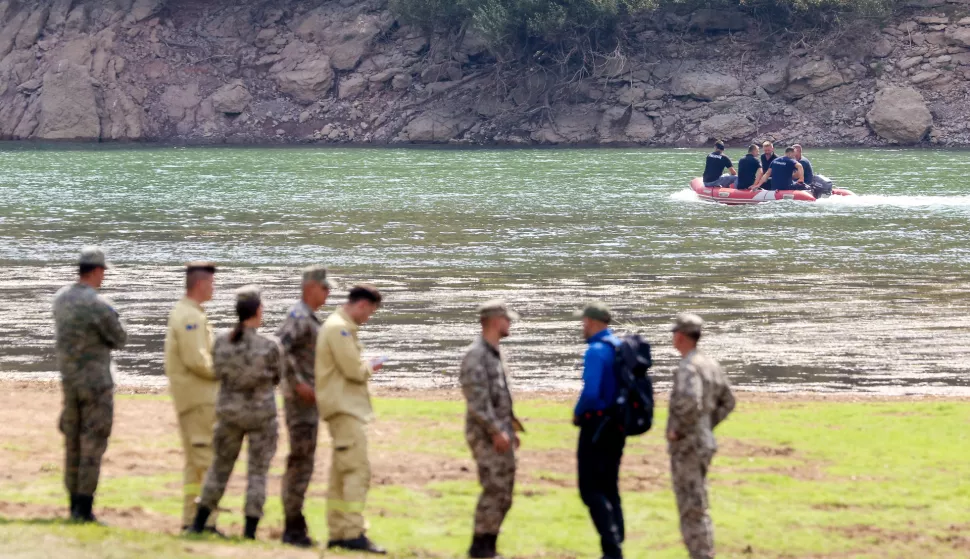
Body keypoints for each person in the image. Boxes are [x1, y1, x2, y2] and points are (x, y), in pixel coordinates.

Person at [188, 286, 282, 540]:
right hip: (261, 414)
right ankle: (250, 531)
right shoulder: (269, 345)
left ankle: (199, 522)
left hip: (229, 411)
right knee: (258, 472)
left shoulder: (221, 342)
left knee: (219, 467)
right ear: (258, 311)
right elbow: (277, 377)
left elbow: (217, 371)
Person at [52, 246, 127, 523]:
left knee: (72, 443)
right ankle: (85, 507)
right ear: (97, 271)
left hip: (70, 382)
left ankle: (72, 503)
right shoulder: (98, 304)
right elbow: (119, 338)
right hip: (96, 384)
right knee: (92, 444)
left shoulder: (60, 299)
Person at [316, 284, 387, 554]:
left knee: (340, 472)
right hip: (345, 409)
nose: (368, 317)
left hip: (341, 407)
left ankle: (338, 531)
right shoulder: (340, 328)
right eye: (370, 312)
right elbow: (353, 371)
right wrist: (372, 365)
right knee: (357, 471)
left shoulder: (336, 326)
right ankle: (353, 531)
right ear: (361, 305)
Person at [667, 314, 736, 559]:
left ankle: (701, 554)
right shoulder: (710, 364)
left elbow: (689, 401)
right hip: (704, 442)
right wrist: (707, 426)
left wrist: (680, 431)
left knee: (691, 507)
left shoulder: (689, 366)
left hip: (688, 446)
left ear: (680, 336)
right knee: (698, 502)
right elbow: (728, 401)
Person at [460, 300, 525, 559]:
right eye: (507, 319)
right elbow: (477, 400)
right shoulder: (476, 355)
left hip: (500, 430)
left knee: (505, 491)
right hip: (484, 433)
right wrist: (496, 431)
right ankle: (480, 546)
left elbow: (500, 397)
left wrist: (511, 428)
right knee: (494, 488)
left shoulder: (494, 353)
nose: (509, 324)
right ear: (495, 320)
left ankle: (489, 543)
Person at [164, 261, 221, 533]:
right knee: (204, 459)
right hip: (198, 398)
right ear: (200, 284)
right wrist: (225, 373)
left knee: (195, 461)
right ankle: (204, 522)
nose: (214, 288)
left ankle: (191, 517)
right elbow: (196, 360)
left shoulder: (190, 312)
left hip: (193, 397)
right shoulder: (190, 316)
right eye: (211, 282)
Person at [276, 266, 331, 547]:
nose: (328, 293)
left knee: (305, 461)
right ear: (310, 287)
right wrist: (297, 383)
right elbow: (280, 349)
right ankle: (292, 525)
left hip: (308, 401)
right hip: (300, 402)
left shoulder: (310, 318)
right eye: (324, 288)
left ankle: (295, 522)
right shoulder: (298, 316)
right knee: (300, 461)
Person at [573, 302, 626, 559]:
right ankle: (617, 540)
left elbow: (591, 393)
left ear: (593, 322)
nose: (582, 327)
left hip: (596, 425)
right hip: (617, 425)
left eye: (583, 322)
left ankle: (611, 547)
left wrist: (578, 412)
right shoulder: (618, 347)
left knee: (589, 487)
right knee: (609, 485)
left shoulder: (595, 351)